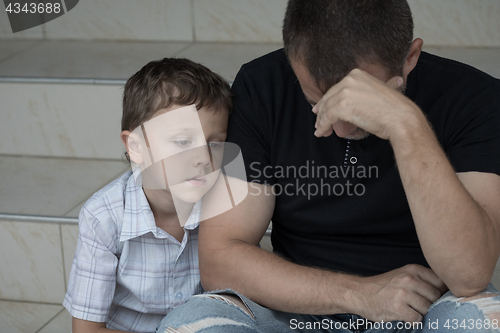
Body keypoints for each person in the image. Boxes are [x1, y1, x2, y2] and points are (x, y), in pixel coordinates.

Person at [157, 0, 500, 332]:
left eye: (357, 105)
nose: (336, 128)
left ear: (409, 58)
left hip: (423, 310)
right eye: (315, 103)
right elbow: (221, 259)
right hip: (295, 309)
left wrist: (406, 124)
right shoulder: (263, 85)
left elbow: (469, 274)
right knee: (189, 324)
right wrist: (360, 294)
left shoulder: (473, 97)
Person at [63, 57, 232, 333]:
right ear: (136, 147)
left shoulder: (223, 202)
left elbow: (238, 299)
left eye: (215, 144)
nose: (203, 157)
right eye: (183, 142)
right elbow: (87, 330)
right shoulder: (103, 217)